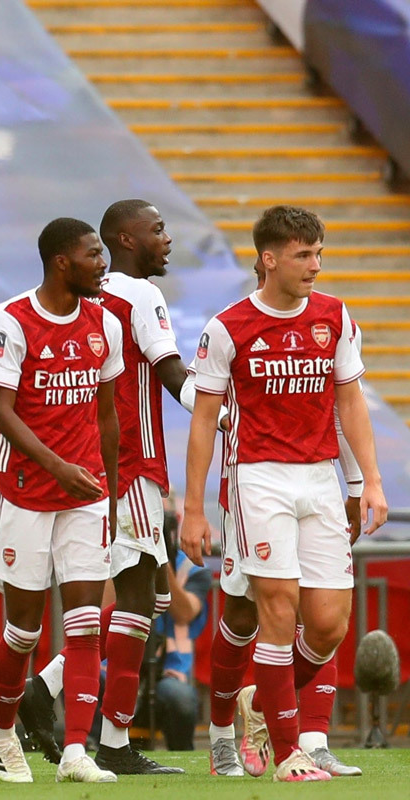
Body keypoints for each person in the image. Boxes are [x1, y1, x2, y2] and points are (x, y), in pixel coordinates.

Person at [182, 205, 387, 782]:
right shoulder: (228, 328)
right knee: (275, 610)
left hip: (320, 477)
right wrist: (194, 507)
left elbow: (350, 402)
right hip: (258, 479)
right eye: (303, 255)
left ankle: (260, 705)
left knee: (327, 625)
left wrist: (369, 481)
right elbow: (204, 420)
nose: (315, 266)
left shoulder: (334, 317)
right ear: (268, 259)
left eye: (319, 254)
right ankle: (290, 751)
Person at [18, 200, 192, 775]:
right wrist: (229, 410)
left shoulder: (93, 296)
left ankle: (47, 685)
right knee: (140, 602)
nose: (166, 238)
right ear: (127, 239)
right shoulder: (140, 295)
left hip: (107, 463)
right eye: (157, 229)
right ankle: (113, 740)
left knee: (151, 598)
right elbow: (173, 376)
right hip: (132, 464)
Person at [0, 217, 123, 784]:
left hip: (86, 495)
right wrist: (58, 467)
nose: (103, 263)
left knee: (85, 625)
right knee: (25, 631)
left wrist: (109, 491)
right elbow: (1, 409)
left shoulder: (104, 323)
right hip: (26, 492)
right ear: (63, 262)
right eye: (93, 254)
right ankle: (1, 732)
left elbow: (107, 416)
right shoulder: (12, 319)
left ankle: (75, 752)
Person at [148, 506, 211, 751]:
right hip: (116, 666)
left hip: (169, 672)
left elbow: (185, 612)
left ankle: (181, 757)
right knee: (93, 684)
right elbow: (104, 605)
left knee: (181, 698)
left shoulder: (191, 569)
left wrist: (162, 560)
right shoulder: (119, 555)